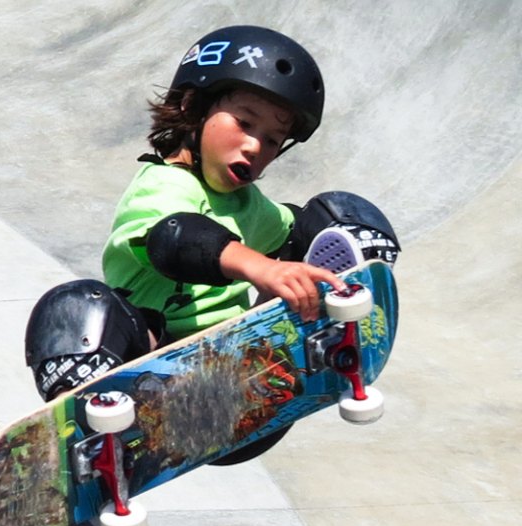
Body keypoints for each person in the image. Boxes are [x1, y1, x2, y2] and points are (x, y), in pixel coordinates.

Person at [24, 25, 400, 406]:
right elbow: (175, 240)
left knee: (336, 217)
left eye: (272, 140)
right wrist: (263, 269)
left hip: (230, 371)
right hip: (144, 366)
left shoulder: (250, 205)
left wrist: (337, 247)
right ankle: (85, 414)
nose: (256, 146)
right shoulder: (161, 186)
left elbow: (295, 229)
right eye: (244, 123)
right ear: (193, 108)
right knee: (76, 305)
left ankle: (333, 328)